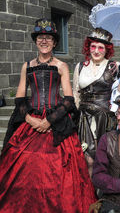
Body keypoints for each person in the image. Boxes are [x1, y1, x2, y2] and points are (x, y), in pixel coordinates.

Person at [0, 18, 96, 212]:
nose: (44, 41)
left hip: (55, 120)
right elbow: (20, 98)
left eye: (48, 38)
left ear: (54, 42)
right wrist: (29, 119)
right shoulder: (26, 66)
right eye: (40, 38)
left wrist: (48, 122)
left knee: (58, 168)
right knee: (23, 163)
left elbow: (68, 99)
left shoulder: (61, 66)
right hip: (31, 118)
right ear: (36, 41)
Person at [73, 28, 118, 176]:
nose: (96, 51)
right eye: (93, 46)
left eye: (101, 47)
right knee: (87, 158)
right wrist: (74, 116)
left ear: (107, 50)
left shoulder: (113, 67)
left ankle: (102, 192)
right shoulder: (80, 67)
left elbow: (119, 94)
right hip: (83, 118)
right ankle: (88, 193)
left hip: (104, 119)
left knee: (103, 158)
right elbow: (75, 93)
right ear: (88, 47)